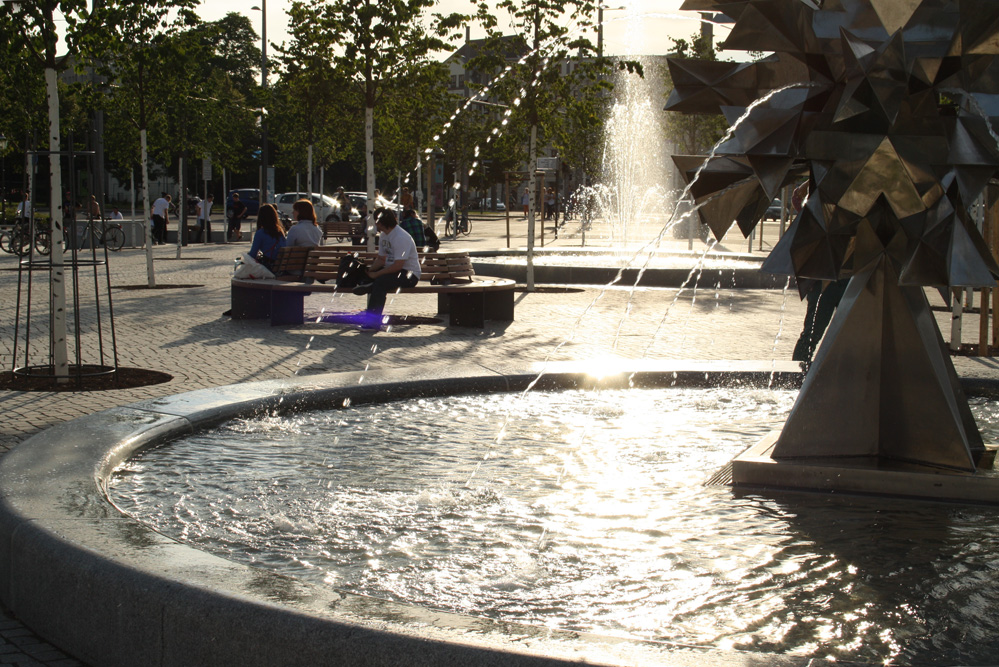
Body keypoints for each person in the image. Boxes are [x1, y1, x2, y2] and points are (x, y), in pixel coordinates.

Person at [789, 180, 848, 367]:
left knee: (847, 333)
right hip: (822, 285)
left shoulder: (852, 216)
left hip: (848, 283)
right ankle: (795, 377)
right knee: (811, 334)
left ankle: (838, 372)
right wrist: (817, 179)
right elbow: (797, 198)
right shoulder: (817, 216)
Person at [353, 208, 421, 330]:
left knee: (380, 282)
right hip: (393, 271)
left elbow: (398, 265)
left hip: (409, 275)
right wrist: (370, 271)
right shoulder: (384, 235)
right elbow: (381, 259)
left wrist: (377, 274)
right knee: (372, 278)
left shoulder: (400, 237)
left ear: (380, 222)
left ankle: (372, 323)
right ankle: (369, 286)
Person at [249, 204, 287, 271]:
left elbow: (252, 254)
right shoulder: (280, 231)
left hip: (269, 267)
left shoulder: (260, 233)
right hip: (281, 266)